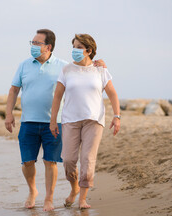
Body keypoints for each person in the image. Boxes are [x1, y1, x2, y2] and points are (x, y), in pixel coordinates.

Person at [5, 29, 106, 211]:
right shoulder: (24, 65)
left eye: (37, 43)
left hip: (56, 122)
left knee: (50, 161)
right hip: (28, 121)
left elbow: (84, 70)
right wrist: (8, 114)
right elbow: (13, 90)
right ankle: (32, 191)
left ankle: (49, 199)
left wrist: (99, 64)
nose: (33, 46)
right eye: (32, 43)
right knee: (27, 161)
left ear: (48, 46)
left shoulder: (64, 65)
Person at [50, 33, 121, 209]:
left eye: (79, 47)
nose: (75, 50)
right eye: (74, 47)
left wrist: (117, 116)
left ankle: (82, 198)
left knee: (88, 160)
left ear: (89, 50)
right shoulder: (66, 70)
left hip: (94, 120)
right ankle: (74, 188)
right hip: (70, 120)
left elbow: (112, 93)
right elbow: (57, 97)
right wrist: (53, 121)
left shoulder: (100, 70)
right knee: (68, 160)